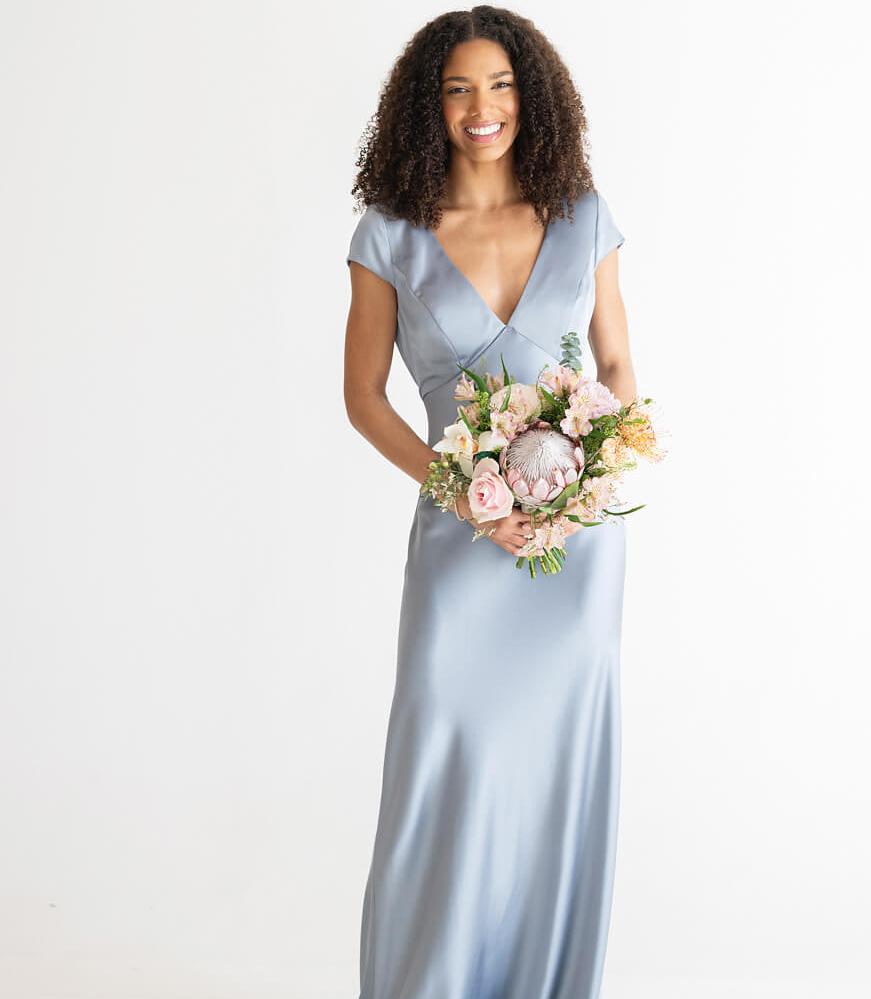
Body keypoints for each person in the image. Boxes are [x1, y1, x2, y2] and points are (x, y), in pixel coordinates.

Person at [344, 7, 637, 997]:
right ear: (429, 106)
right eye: (460, 88)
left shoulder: (583, 217)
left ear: (533, 96)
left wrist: (582, 486)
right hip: (458, 548)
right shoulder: (389, 237)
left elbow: (616, 366)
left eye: (502, 85)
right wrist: (461, 497)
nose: (483, 107)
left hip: (573, 556)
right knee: (447, 767)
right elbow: (363, 400)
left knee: (553, 777)